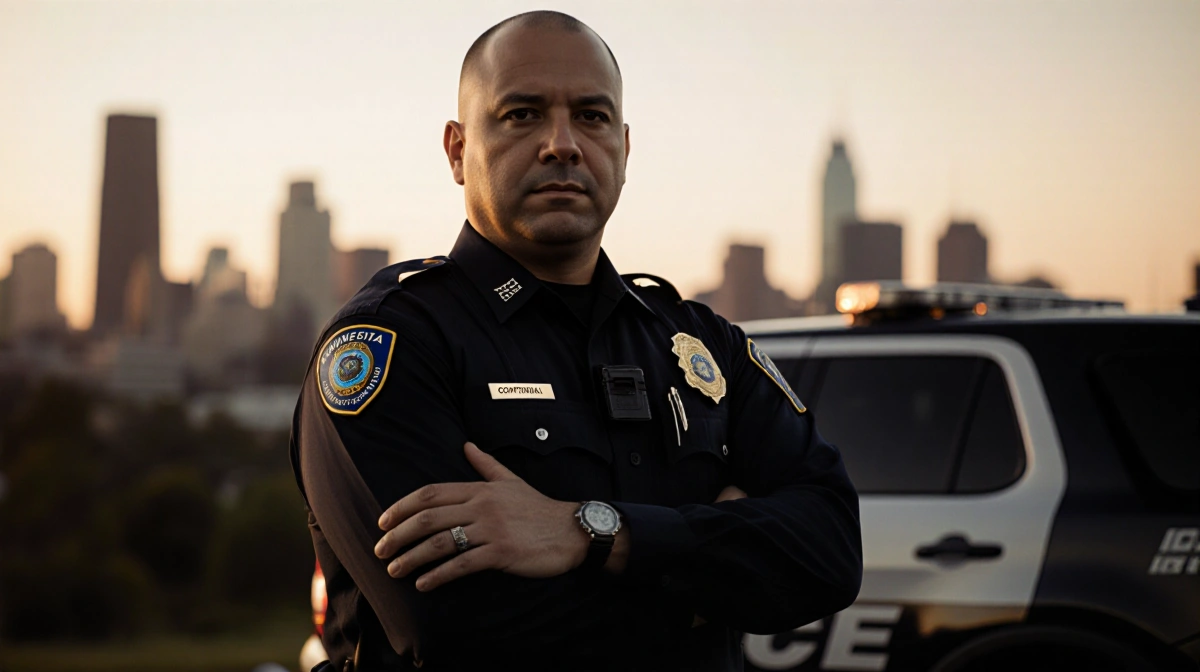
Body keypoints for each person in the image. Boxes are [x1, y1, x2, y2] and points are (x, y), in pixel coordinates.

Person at [291, 10, 862, 672]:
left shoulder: (699, 344)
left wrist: (592, 534)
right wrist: (720, 571)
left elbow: (832, 550)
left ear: (623, 147)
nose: (561, 143)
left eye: (590, 117)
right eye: (521, 114)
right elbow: (458, 634)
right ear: (456, 149)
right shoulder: (395, 344)